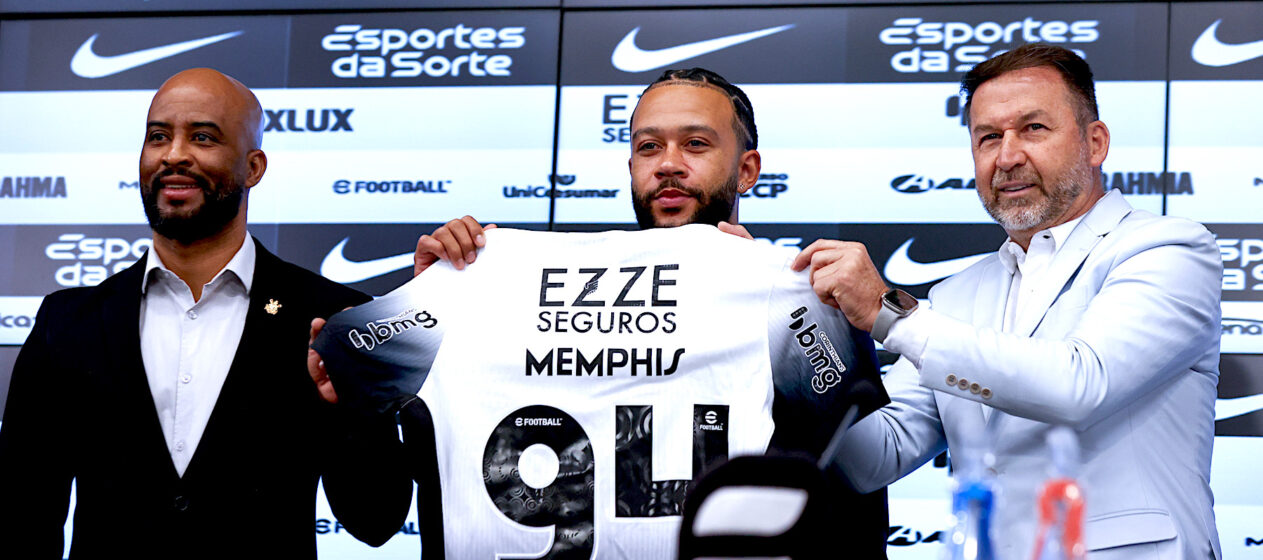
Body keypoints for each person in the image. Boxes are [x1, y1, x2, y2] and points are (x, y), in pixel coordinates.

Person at [309, 68, 891, 557]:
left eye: (695, 144)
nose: (667, 164)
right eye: (648, 146)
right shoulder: (486, 281)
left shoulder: (793, 302)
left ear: (746, 169)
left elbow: (855, 511)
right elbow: (373, 520)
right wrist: (427, 314)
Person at [795, 44, 1222, 559]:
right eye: (988, 137)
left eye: (1033, 129)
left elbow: (1079, 385)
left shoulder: (1169, 248)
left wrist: (888, 312)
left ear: (1095, 142)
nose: (1008, 156)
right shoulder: (956, 295)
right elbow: (876, 456)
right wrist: (782, 327)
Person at [0, 68, 410, 558]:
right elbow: (20, 517)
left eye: (202, 137)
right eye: (158, 136)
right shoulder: (66, 322)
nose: (173, 155)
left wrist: (354, 412)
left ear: (253, 168)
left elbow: (377, 520)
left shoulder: (334, 317)